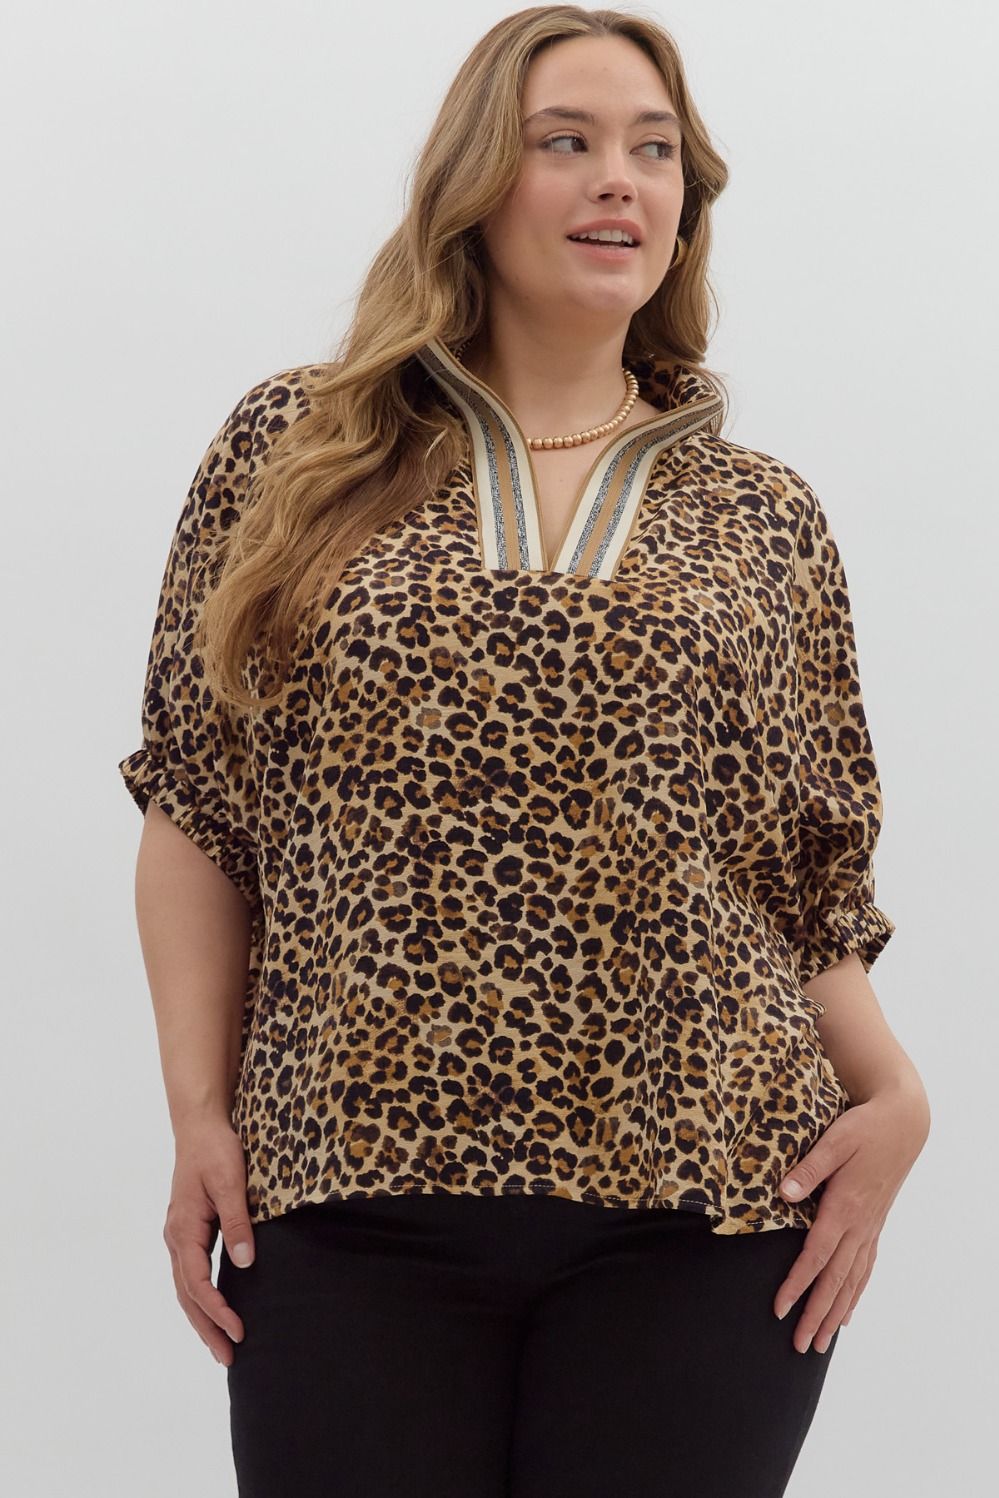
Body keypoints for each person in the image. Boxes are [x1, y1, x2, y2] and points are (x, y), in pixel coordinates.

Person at [118, 7, 930, 1496]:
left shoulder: (765, 518)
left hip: (704, 1208)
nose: (620, 178)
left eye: (655, 151)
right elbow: (198, 802)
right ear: (478, 184)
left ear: (686, 205)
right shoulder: (298, 452)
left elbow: (796, 877)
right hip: (348, 1190)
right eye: (568, 142)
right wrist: (197, 1115)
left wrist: (897, 1095)